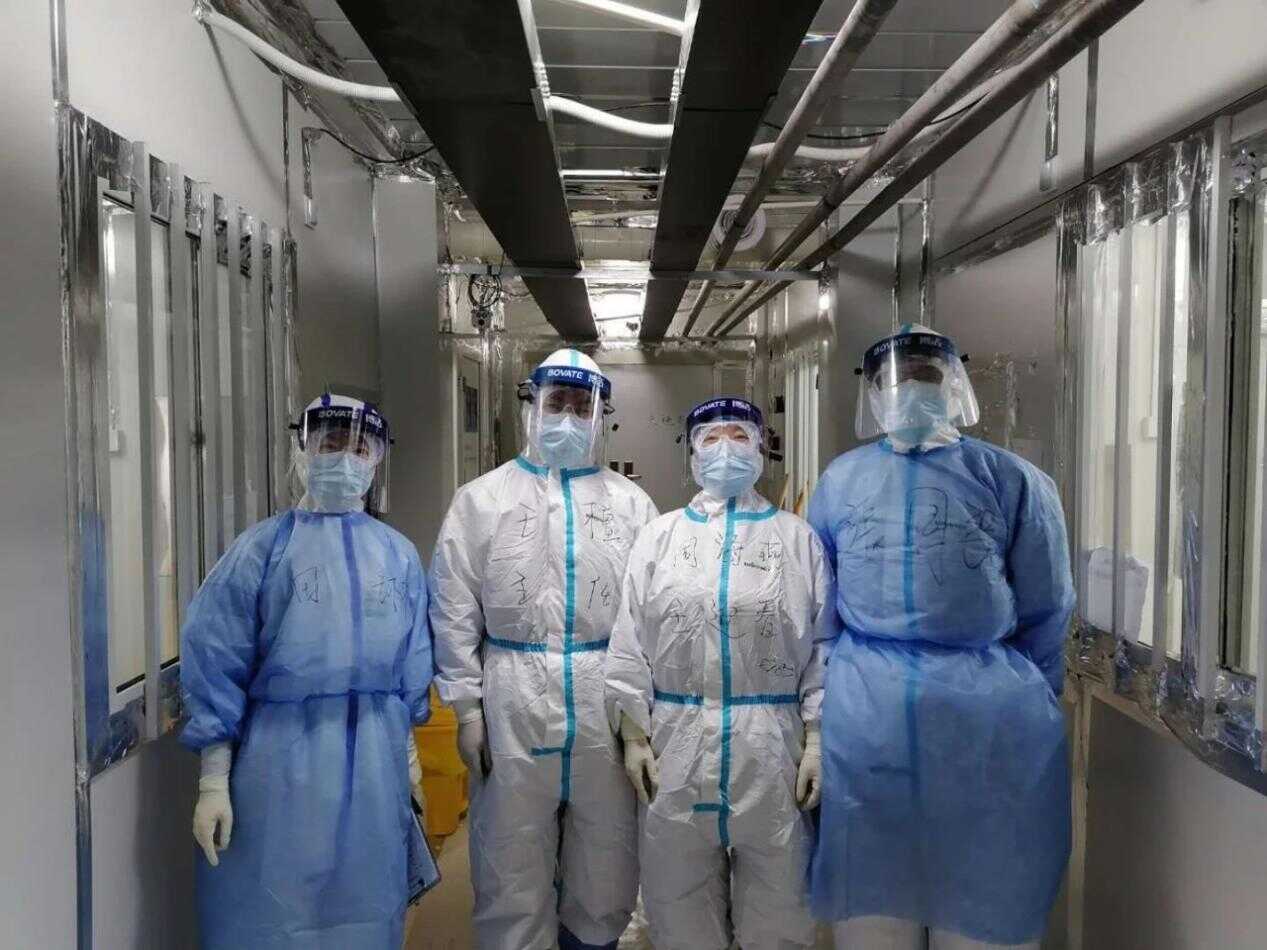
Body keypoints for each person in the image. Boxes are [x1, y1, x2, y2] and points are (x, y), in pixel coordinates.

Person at [807, 325, 1075, 950]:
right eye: (895, 380)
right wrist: (817, 715)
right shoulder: (840, 482)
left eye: (926, 376)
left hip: (987, 724)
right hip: (866, 720)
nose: (910, 390)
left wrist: (1032, 696)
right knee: (873, 915)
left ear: (954, 385)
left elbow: (1047, 606)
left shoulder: (1010, 480)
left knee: (982, 911)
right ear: (873, 393)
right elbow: (819, 604)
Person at [181, 394, 437, 949]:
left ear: (376, 459)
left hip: (376, 760)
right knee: (273, 909)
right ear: (302, 450)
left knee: (367, 905)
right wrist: (213, 779)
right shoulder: (262, 550)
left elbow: (411, 668)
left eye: (359, 447)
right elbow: (216, 659)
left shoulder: (398, 555)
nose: (344, 457)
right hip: (280, 761)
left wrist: (409, 760)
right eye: (330, 442)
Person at [430, 349, 659, 950]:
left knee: (607, 851)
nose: (569, 417)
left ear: (601, 415)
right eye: (557, 402)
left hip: (602, 693)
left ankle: (593, 940)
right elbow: (454, 607)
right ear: (531, 405)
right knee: (511, 849)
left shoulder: (631, 505)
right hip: (512, 694)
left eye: (583, 406)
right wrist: (467, 708)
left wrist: (637, 721)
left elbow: (648, 614)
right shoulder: (481, 501)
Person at [605, 397, 837, 950]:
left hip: (771, 748)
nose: (725, 448)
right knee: (677, 904)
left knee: (780, 907)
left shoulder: (796, 539)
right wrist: (633, 733)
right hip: (677, 746)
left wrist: (817, 736)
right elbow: (629, 638)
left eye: (739, 435)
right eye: (710, 437)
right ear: (691, 453)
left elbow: (823, 645)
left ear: (761, 448)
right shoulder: (659, 537)